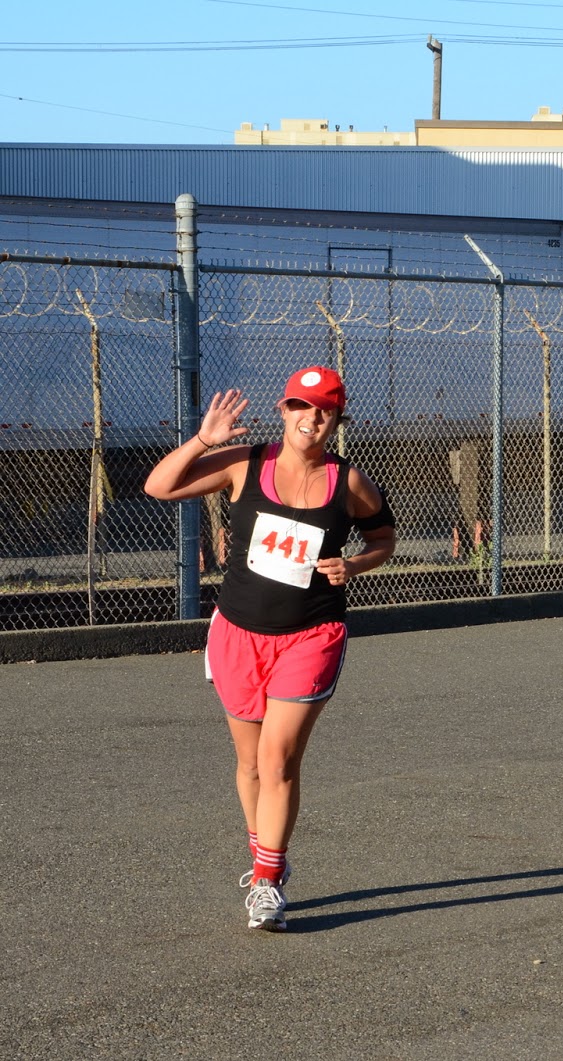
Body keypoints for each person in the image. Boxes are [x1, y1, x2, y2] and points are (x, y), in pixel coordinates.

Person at [144, 366, 396, 931]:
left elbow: (384, 538)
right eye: (301, 407)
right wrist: (205, 440)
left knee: (279, 762)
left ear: (337, 419)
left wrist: (352, 563)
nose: (312, 418)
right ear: (283, 411)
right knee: (250, 763)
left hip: (311, 636)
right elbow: (158, 487)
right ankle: (266, 859)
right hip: (238, 635)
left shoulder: (350, 483)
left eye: (325, 410)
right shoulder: (244, 465)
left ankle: (266, 881)